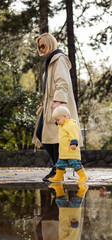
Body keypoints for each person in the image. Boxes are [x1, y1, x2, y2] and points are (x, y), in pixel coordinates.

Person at [32, 32, 83, 181]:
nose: (41, 49)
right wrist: (43, 106)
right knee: (44, 134)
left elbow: (62, 82)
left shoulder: (59, 59)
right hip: (50, 104)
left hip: (58, 104)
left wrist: (58, 102)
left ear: (50, 43)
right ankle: (58, 167)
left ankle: (57, 169)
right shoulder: (51, 60)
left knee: (53, 135)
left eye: (43, 45)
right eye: (39, 47)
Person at [48, 106, 87, 183]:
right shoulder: (62, 125)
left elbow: (74, 135)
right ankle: (58, 177)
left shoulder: (71, 125)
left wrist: (73, 143)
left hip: (71, 151)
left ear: (65, 117)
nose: (57, 122)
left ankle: (83, 176)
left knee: (75, 164)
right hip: (63, 152)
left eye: (58, 120)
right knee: (59, 164)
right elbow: (58, 123)